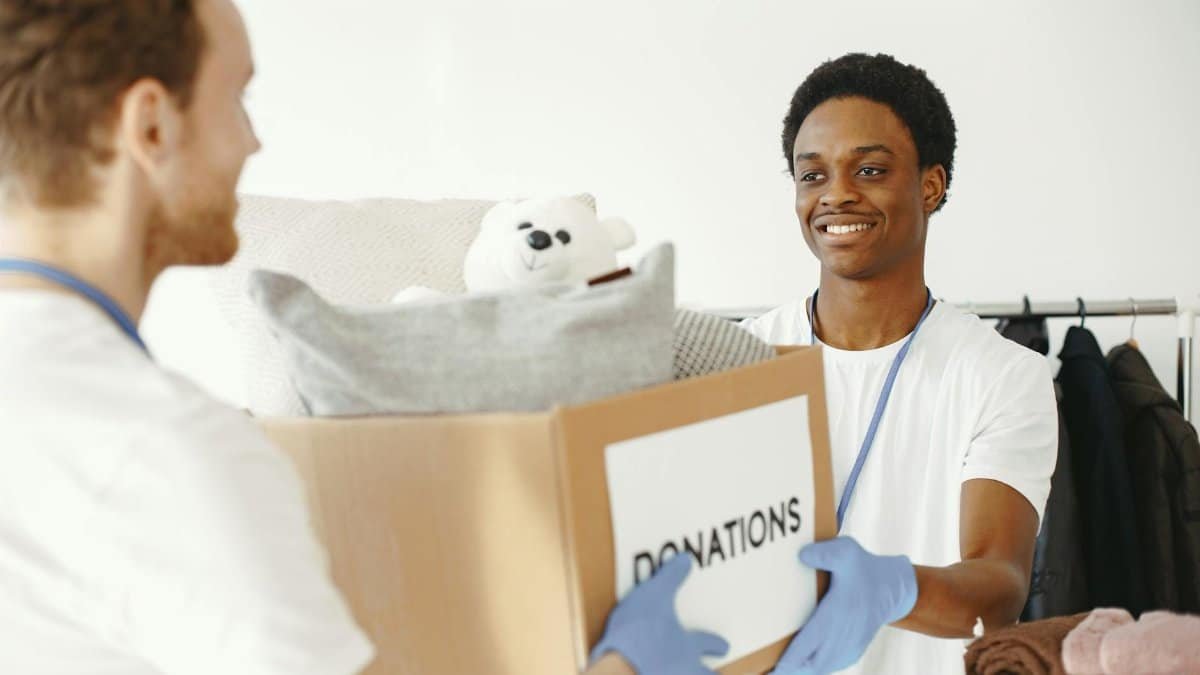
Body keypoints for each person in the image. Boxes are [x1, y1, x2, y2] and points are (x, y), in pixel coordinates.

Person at [0, 1, 724, 673]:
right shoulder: (168, 452)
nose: (253, 140)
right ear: (153, 126)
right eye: (237, 99)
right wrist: (628, 666)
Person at [741, 53, 1058, 675]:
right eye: (812, 175)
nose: (836, 194)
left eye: (869, 169)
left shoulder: (1002, 376)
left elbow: (999, 588)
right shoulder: (740, 362)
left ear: (930, 186)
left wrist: (895, 589)